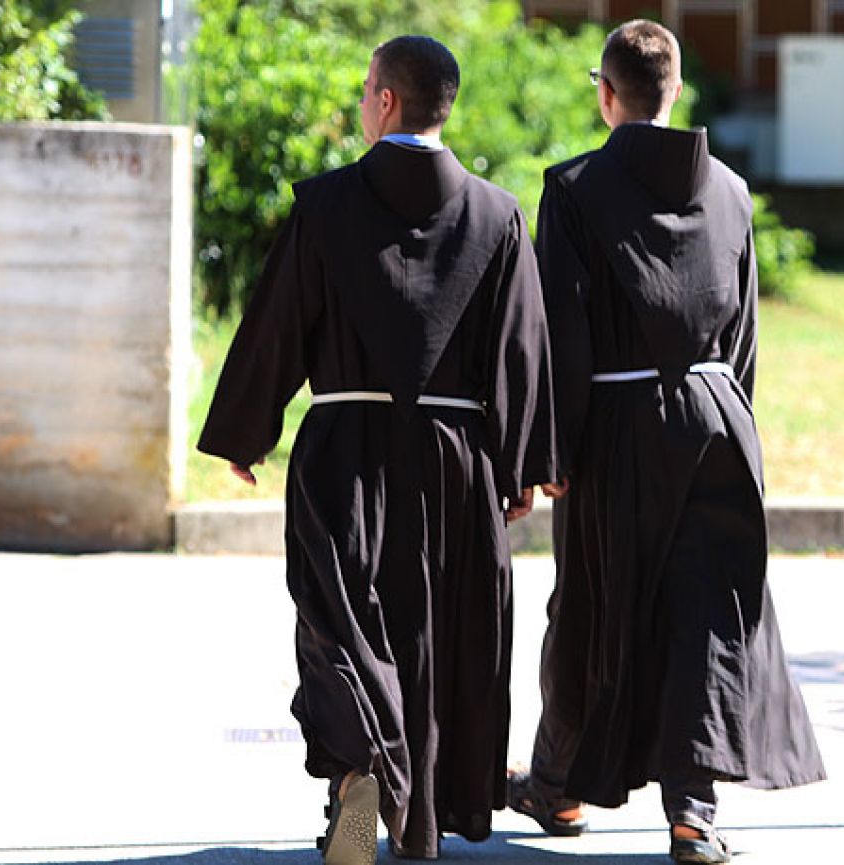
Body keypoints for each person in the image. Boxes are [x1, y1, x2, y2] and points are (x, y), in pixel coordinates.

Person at [197, 35, 556, 865]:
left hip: (344, 450)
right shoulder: (497, 214)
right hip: (454, 458)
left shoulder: (324, 206)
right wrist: (524, 464)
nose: (363, 102)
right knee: (432, 638)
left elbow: (279, 322)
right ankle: (408, 816)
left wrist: (247, 430)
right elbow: (521, 350)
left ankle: (358, 774)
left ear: (385, 102)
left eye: (366, 90)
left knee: (342, 627)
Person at [507, 19, 825, 865]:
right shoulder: (729, 190)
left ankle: (559, 786)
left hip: (613, 425)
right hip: (720, 424)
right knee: (707, 613)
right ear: (674, 89)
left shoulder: (571, 187)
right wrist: (735, 430)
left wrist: (549, 451)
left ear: (605, 95)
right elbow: (744, 334)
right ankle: (693, 814)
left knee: (591, 603)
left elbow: (561, 333)